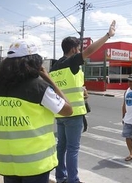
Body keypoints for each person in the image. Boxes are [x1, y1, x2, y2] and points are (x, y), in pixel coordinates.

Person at [0, 39, 73, 183]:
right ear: (35, 62)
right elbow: (68, 110)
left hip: (8, 164)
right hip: (35, 165)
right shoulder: (38, 87)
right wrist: (49, 78)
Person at [49, 20, 116, 183]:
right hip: (74, 114)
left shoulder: (54, 67)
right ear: (73, 49)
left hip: (60, 113)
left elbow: (63, 87)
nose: (80, 52)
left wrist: (81, 90)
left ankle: (61, 177)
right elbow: (90, 50)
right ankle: (73, 180)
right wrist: (108, 35)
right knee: (73, 149)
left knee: (61, 147)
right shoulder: (71, 62)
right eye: (78, 49)